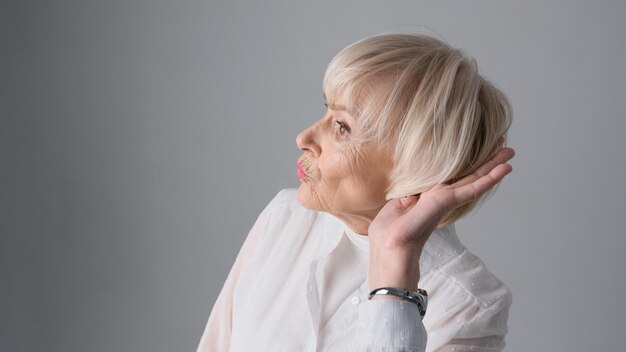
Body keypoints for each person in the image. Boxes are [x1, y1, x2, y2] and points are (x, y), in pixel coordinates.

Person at [196, 33, 515, 351]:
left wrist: (393, 278)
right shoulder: (283, 218)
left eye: (342, 127)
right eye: (326, 111)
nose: (303, 137)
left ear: (414, 166)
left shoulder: (469, 306)